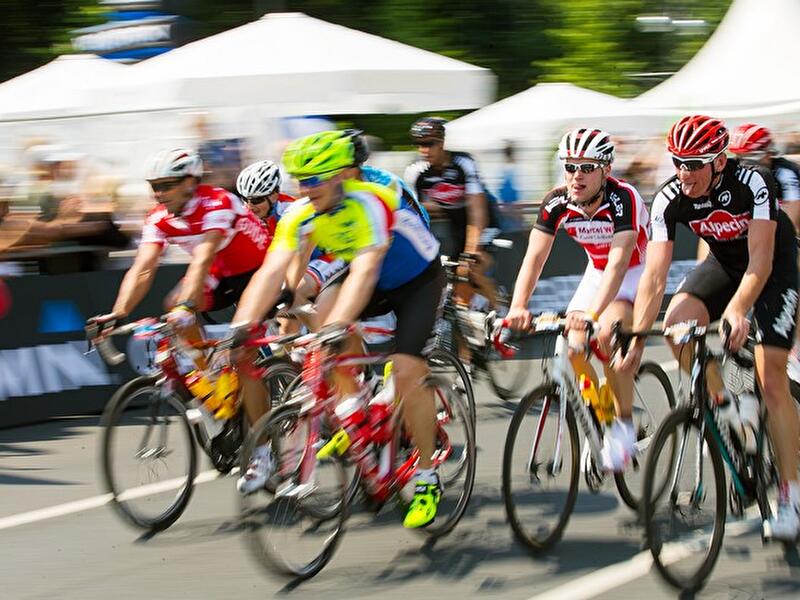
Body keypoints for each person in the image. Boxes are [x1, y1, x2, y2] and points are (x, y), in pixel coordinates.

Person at [227, 130, 444, 528]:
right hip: (364, 274)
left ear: (343, 176)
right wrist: (242, 324)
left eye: (313, 180)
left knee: (407, 367)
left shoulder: (373, 202)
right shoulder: (300, 213)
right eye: (299, 182)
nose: (304, 190)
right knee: (320, 329)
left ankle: (427, 475)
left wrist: (337, 325)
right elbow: (271, 272)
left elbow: (365, 270)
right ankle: (356, 404)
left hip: (416, 280)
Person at [619, 115, 800, 541]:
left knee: (771, 378)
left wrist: (738, 310)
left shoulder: (753, 182)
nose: (685, 173)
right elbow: (655, 276)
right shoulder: (669, 197)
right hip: (723, 264)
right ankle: (726, 406)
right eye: (678, 162)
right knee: (676, 327)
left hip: (772, 266)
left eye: (695, 163)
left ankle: (791, 497)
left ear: (720, 161)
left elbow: (761, 262)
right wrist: (637, 336)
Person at [90, 149, 271, 465]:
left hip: (257, 273)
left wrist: (189, 306)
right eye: (154, 186)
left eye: (166, 185)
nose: (158, 193)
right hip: (219, 272)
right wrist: (118, 312)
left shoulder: (218, 202)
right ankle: (214, 379)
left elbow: (203, 255)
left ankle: (263, 450)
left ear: (190, 182)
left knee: (243, 357)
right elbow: (144, 267)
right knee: (173, 305)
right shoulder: (158, 217)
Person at [505, 128, 649, 471]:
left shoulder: (623, 198)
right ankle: (601, 409)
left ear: (606, 171)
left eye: (587, 167)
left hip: (633, 271)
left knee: (606, 331)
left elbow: (619, 263)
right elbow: (535, 258)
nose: (576, 176)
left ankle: (622, 425)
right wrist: (517, 305)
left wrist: (592, 314)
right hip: (597, 271)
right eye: (570, 167)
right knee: (572, 348)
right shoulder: (556, 201)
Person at [729, 123, 800, 383]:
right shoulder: (740, 178)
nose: (742, 165)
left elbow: (791, 217)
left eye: (749, 160)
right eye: (738, 159)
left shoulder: (785, 173)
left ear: (767, 155)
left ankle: (796, 348)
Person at [405, 116, 499, 307]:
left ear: (441, 142)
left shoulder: (463, 163)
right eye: (419, 144)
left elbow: (477, 210)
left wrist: (471, 251)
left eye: (430, 144)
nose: (424, 150)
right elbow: (417, 216)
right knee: (458, 295)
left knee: (471, 270)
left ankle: (503, 314)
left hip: (484, 222)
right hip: (456, 228)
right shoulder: (416, 171)